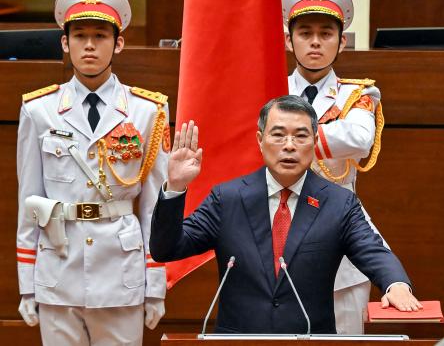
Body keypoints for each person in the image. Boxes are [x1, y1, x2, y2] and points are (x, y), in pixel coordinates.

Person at [150, 95, 422, 334]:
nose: (289, 145)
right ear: (260, 140)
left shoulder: (339, 203)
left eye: (300, 136)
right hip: (238, 342)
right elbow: (166, 248)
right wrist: (175, 187)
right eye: (278, 134)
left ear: (314, 142)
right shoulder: (227, 198)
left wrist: (396, 284)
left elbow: (372, 250)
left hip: (310, 341)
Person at [16, 0, 169, 345]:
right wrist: (27, 282)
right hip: (58, 267)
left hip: (121, 271)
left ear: (119, 43)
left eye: (100, 36)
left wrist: (156, 283)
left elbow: (153, 206)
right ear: (64, 43)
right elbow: (30, 200)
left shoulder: (148, 110)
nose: (89, 45)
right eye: (80, 36)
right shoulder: (39, 109)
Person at [282, 0, 387, 334]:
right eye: (305, 33)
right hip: (279, 231)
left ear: (342, 42)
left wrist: (283, 136)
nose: (315, 42)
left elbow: (358, 139)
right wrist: (324, 136)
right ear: (288, 39)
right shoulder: (267, 90)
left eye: (325, 34)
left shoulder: (358, 95)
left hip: (340, 238)